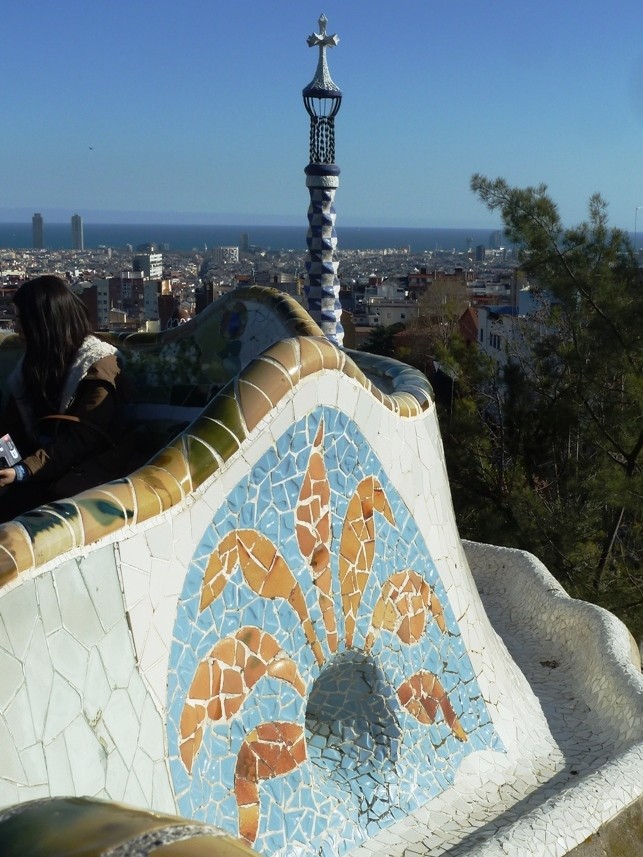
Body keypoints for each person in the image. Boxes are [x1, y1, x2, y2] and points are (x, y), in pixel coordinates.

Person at [0, 275, 131, 522]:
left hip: (81, 480)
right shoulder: (32, 367)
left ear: (42, 323)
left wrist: (23, 471)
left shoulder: (97, 366)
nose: (16, 330)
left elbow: (83, 440)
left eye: (21, 320)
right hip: (41, 474)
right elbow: (11, 426)